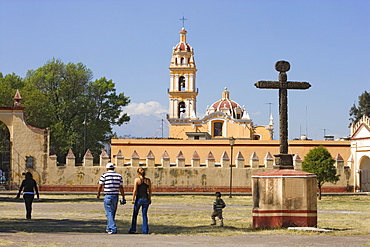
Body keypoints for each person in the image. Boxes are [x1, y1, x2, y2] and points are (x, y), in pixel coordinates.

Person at [97, 163, 126, 234]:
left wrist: (98, 194)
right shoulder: (119, 176)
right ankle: (108, 227)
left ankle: (113, 228)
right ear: (114, 168)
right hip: (115, 195)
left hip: (107, 195)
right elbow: (121, 187)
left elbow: (100, 185)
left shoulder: (104, 175)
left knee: (109, 212)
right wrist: (123, 196)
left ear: (107, 168)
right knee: (112, 212)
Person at [129, 167, 152, 234]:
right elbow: (150, 190)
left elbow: (135, 190)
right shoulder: (148, 180)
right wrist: (150, 198)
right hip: (146, 198)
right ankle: (145, 230)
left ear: (138, 173)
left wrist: (133, 198)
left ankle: (133, 229)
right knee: (144, 214)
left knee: (135, 214)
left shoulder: (137, 180)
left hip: (139, 199)